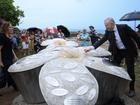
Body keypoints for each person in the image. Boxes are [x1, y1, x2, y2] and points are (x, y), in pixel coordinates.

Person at [85, 17, 140, 97]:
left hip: (128, 51)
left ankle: (131, 89)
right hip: (118, 52)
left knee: (130, 70)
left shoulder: (123, 27)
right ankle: (116, 84)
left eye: (106, 25)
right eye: (105, 25)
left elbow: (135, 36)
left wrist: (139, 46)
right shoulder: (108, 31)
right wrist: (92, 48)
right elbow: (102, 40)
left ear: (112, 23)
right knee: (114, 67)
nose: (106, 27)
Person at [0, 22, 18, 91]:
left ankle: (15, 86)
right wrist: (0, 61)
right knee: (6, 75)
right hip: (5, 59)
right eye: (10, 27)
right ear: (6, 28)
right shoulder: (2, 36)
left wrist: (15, 56)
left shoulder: (9, 36)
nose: (12, 28)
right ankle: (15, 86)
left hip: (9, 57)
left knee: (9, 73)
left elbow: (10, 48)